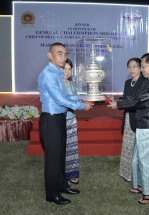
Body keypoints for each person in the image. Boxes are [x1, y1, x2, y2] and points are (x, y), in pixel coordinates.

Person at [108, 52, 149, 204]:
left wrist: (119, 104)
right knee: (139, 158)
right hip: (144, 125)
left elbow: (142, 100)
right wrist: (119, 101)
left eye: (142, 66)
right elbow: (137, 97)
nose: (141, 69)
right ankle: (143, 185)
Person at [38, 42, 92, 205]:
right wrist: (82, 106)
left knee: (61, 155)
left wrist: (82, 98)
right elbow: (59, 100)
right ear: (50, 55)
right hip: (51, 119)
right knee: (53, 159)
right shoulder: (48, 73)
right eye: (59, 54)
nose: (63, 57)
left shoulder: (58, 72)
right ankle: (52, 193)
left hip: (60, 118)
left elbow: (66, 95)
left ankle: (62, 185)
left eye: (65, 54)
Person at [118, 58, 145, 182]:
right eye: (129, 67)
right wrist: (118, 102)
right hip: (128, 116)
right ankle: (126, 172)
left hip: (139, 118)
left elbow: (137, 101)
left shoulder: (144, 82)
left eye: (134, 66)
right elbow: (125, 98)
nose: (132, 69)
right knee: (128, 145)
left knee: (137, 147)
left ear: (140, 68)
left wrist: (123, 102)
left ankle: (136, 174)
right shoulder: (127, 82)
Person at [63, 58, 80, 185]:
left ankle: (72, 173)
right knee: (60, 148)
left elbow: (75, 102)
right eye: (65, 68)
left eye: (69, 69)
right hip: (59, 121)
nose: (67, 72)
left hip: (72, 120)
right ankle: (61, 175)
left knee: (72, 148)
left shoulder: (73, 85)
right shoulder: (56, 84)